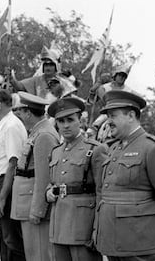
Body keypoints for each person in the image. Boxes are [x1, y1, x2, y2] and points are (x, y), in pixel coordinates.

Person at [94, 90, 155, 261]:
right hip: (114, 241)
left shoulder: (152, 148)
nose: (109, 121)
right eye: (108, 116)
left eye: (113, 115)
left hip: (139, 241)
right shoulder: (115, 148)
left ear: (131, 115)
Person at [46, 97, 107, 261]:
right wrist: (49, 191)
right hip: (58, 223)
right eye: (60, 121)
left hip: (83, 225)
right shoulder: (56, 151)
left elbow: (102, 192)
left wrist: (98, 228)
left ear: (80, 121)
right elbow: (51, 182)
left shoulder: (95, 149)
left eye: (70, 120)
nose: (65, 125)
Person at [11, 92, 60, 261]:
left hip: (33, 203)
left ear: (28, 113)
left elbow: (44, 176)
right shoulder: (37, 132)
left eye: (21, 111)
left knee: (39, 254)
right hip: (27, 202)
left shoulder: (44, 135)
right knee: (32, 253)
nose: (20, 115)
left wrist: (38, 210)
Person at [0, 89, 27, 261]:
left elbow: (13, 164)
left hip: (5, 184)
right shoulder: (2, 124)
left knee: (11, 237)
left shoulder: (11, 126)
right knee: (3, 235)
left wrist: (2, 198)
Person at [86, 64, 135, 140]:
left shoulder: (129, 91)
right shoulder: (104, 88)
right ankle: (91, 140)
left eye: (124, 76)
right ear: (115, 75)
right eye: (120, 75)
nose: (122, 77)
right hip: (106, 113)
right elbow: (91, 102)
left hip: (122, 114)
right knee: (94, 127)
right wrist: (93, 91)